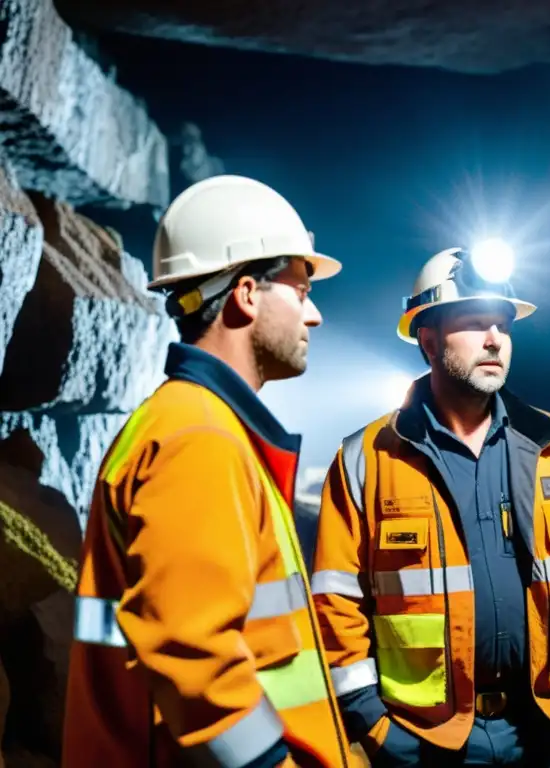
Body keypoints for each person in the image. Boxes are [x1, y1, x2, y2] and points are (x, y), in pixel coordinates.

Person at [63, 174, 357, 768]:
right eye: (301, 292)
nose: (315, 315)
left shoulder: (189, 421)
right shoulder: (198, 438)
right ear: (247, 294)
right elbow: (192, 652)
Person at [311, 243, 550, 766]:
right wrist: (372, 720)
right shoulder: (367, 458)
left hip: (548, 726)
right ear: (428, 341)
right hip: (426, 739)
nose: (494, 340)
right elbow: (335, 598)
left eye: (503, 325)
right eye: (475, 322)